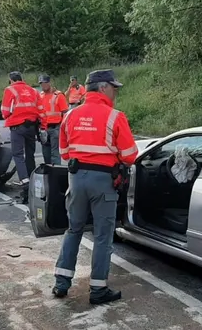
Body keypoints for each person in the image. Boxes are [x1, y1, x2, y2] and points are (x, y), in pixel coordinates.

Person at [52, 69, 138, 305]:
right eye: (113, 88)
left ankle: (61, 283)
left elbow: (63, 153)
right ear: (102, 88)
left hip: (76, 180)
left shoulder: (69, 115)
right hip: (103, 182)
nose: (115, 92)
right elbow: (130, 155)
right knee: (102, 236)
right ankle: (98, 290)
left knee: (73, 229)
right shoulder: (115, 116)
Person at [1, 71, 42, 202]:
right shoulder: (33, 91)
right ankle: (32, 182)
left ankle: (25, 185)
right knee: (30, 155)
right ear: (22, 79)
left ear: (11, 80)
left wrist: (8, 116)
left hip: (17, 127)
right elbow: (41, 109)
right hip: (32, 126)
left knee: (18, 155)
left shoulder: (10, 90)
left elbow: (5, 111)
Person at [37, 74, 69, 165]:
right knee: (46, 154)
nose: (43, 86)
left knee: (55, 154)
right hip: (44, 128)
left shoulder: (58, 95)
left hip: (55, 127)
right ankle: (49, 174)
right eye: (41, 84)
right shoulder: (41, 96)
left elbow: (65, 112)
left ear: (49, 83)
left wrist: (64, 129)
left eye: (45, 83)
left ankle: (55, 173)